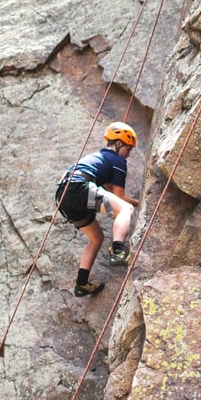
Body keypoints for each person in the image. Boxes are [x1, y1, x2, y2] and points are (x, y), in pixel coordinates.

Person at [56, 122, 140, 297]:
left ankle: (82, 283)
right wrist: (140, 202)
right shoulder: (117, 161)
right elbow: (120, 196)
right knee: (125, 209)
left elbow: (110, 193)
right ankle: (118, 250)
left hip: (64, 196)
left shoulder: (100, 158)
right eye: (128, 149)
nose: (128, 154)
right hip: (79, 187)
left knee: (96, 238)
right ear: (118, 144)